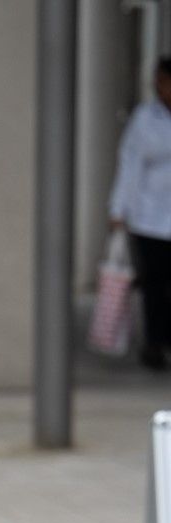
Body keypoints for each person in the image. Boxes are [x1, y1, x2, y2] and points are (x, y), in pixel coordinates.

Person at [113, 56, 171, 371]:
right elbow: (130, 166)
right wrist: (118, 208)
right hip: (149, 219)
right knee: (154, 285)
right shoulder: (145, 119)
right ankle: (154, 343)